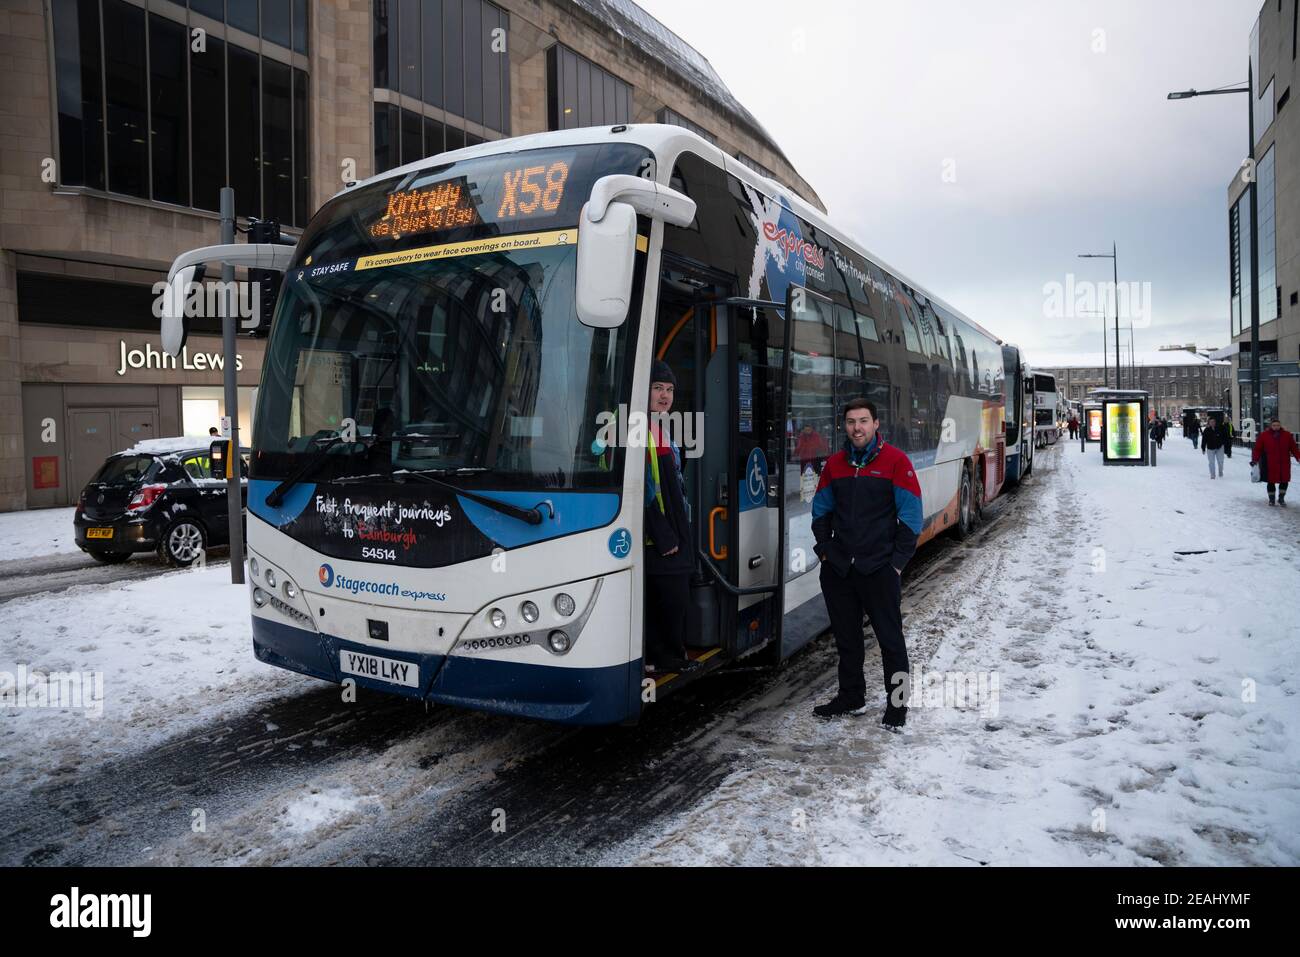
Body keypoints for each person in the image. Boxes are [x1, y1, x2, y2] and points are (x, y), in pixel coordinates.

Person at [810, 398, 922, 732]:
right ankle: (851, 696)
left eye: (863, 421)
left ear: (875, 424)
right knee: (847, 640)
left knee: (891, 641)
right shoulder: (835, 465)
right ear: (844, 426)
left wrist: (896, 565)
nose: (857, 428)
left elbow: (912, 519)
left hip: (879, 571)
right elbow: (820, 513)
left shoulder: (895, 462)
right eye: (850, 422)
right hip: (840, 571)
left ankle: (897, 705)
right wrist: (826, 553)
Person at [642, 360, 697, 673]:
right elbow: (645, 490)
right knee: (671, 598)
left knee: (670, 597)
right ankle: (665, 658)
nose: (665, 395)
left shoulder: (658, 428)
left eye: (670, 389)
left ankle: (662, 656)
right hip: (660, 536)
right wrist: (664, 536)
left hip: (672, 530)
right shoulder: (638, 429)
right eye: (657, 388)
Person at [1251, 417, 1300, 506]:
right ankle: (1272, 499)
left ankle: (1281, 498)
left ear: (1280, 425)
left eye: (1277, 425)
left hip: (1284, 462)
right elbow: (1257, 449)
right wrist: (1255, 459)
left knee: (1284, 481)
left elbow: (1294, 448)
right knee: (1271, 481)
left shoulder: (1287, 435)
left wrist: (1298, 457)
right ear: (1271, 426)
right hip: (1270, 463)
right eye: (1274, 425)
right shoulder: (1264, 435)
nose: (1276, 427)